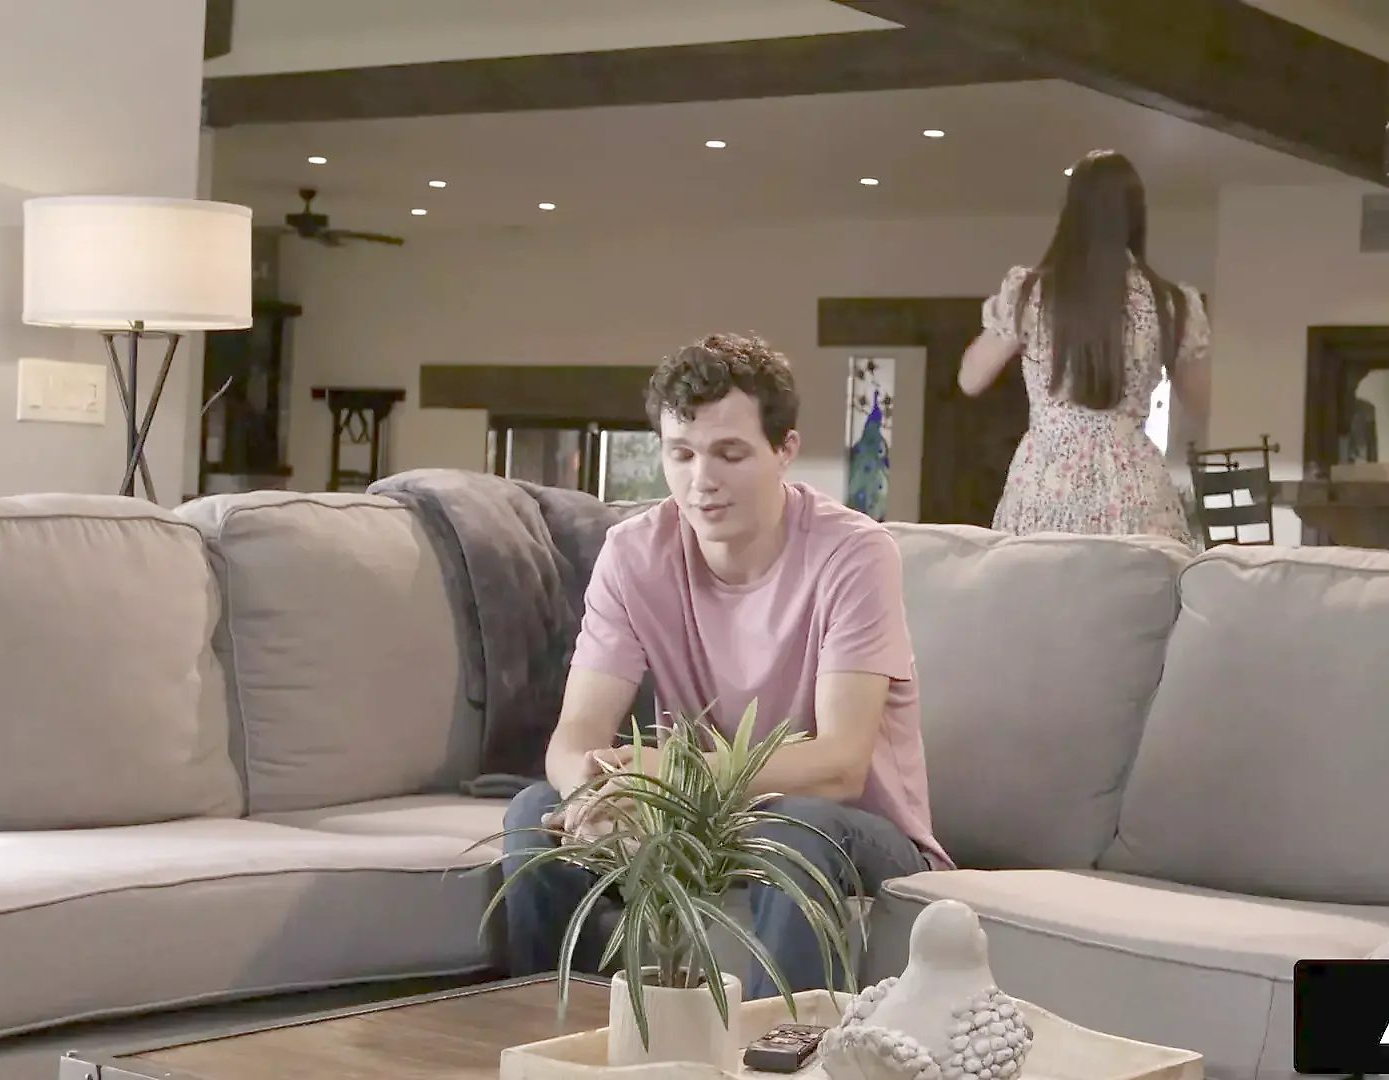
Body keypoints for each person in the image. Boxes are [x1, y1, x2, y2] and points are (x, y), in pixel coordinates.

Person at [500, 333, 951, 997]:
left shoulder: (853, 554)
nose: (701, 480)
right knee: (534, 814)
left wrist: (669, 777)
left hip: (852, 832)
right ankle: (551, 1036)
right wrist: (591, 797)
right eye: (680, 454)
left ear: (785, 450)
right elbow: (573, 741)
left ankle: (783, 1047)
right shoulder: (633, 554)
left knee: (792, 826)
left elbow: (840, 766)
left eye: (729, 454)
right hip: (700, 824)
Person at [958, 149, 1210, 546]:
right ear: (1135, 215)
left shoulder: (1031, 293)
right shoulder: (1171, 303)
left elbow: (970, 379)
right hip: (1135, 487)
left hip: (1046, 482)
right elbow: (1201, 405)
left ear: (1071, 212)